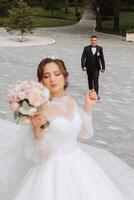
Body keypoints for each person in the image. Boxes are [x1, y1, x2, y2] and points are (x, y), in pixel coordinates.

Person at [0, 57, 133, 200]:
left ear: (65, 76)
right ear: (41, 82)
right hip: (52, 171)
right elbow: (42, 156)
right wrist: (36, 130)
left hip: (78, 162)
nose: (52, 79)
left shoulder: (70, 101)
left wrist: (88, 105)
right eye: (46, 76)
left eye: (57, 74)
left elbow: (84, 133)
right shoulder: (41, 108)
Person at [81, 35, 105, 100]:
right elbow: (83, 58)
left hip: (96, 68)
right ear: (90, 40)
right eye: (92, 40)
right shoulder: (86, 48)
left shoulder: (100, 48)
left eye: (95, 40)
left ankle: (96, 95)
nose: (94, 41)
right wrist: (83, 66)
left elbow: (102, 58)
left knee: (96, 80)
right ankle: (91, 92)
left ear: (96, 41)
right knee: (90, 80)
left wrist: (103, 67)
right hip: (88, 67)